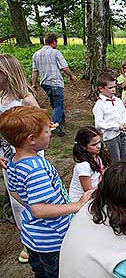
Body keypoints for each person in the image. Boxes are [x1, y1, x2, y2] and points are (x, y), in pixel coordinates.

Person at [0, 106, 92, 277]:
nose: (50, 133)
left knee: (40, 272)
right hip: (52, 240)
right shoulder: (35, 169)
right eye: (47, 131)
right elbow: (39, 210)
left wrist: (32, 203)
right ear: (32, 139)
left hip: (33, 238)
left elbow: (13, 191)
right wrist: (77, 205)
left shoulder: (14, 161)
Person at [0, 54, 40, 263]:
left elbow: (41, 128)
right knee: (16, 199)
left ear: (5, 74)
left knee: (31, 198)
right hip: (7, 160)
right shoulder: (0, 98)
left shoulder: (26, 99)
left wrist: (32, 156)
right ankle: (26, 237)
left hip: (27, 160)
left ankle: (37, 237)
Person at [31, 32, 76, 137]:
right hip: (55, 82)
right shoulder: (56, 53)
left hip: (45, 83)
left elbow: (35, 71)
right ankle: (55, 126)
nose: (57, 44)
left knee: (54, 102)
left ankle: (61, 118)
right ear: (53, 42)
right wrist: (71, 76)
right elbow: (64, 67)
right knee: (58, 104)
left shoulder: (36, 54)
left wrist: (34, 84)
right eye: (57, 41)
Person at [93, 73, 126, 162]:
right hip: (111, 137)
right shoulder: (99, 105)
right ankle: (116, 175)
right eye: (110, 88)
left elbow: (123, 114)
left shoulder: (118, 101)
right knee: (115, 161)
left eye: (114, 87)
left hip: (122, 134)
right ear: (101, 89)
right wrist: (116, 126)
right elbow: (98, 124)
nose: (113, 89)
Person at [69, 126, 111, 202]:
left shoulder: (98, 156)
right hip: (82, 201)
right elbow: (88, 192)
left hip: (97, 191)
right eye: (94, 145)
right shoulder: (84, 166)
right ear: (83, 146)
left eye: (99, 142)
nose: (99, 146)